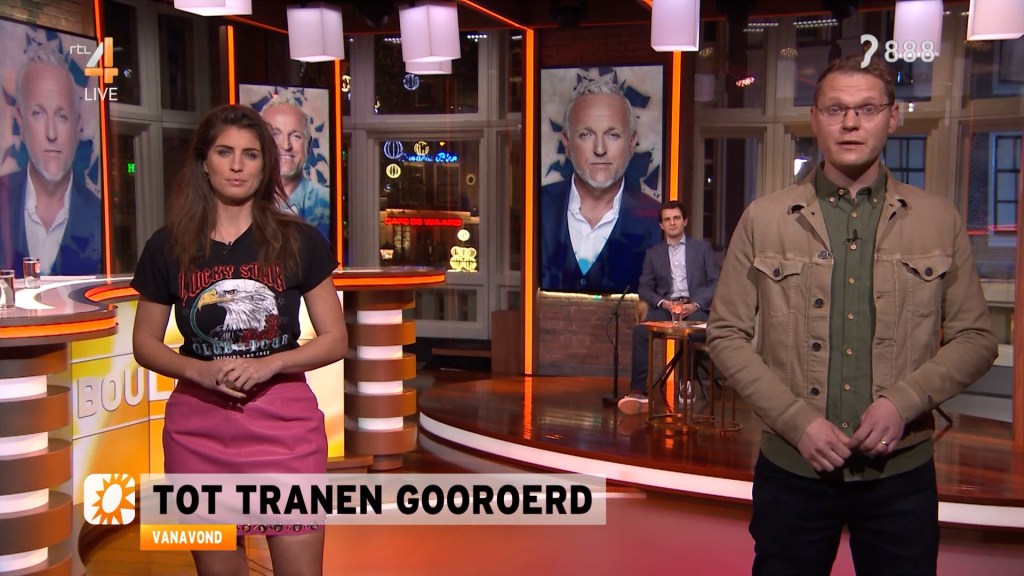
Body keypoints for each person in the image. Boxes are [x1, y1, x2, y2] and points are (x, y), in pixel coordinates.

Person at [706, 54, 997, 575]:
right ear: (814, 119)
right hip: (793, 472)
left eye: (866, 109)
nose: (850, 123)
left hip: (901, 478)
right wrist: (797, 422)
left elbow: (976, 337)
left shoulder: (938, 219)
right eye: (835, 109)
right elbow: (726, 334)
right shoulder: (764, 219)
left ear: (893, 117)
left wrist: (902, 403)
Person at [131, 104, 346, 576]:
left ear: (265, 166)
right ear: (203, 162)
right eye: (224, 152)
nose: (237, 165)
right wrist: (198, 370)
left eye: (250, 154)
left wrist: (271, 364)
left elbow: (335, 339)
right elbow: (144, 342)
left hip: (284, 427)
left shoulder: (300, 241)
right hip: (197, 430)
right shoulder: (166, 246)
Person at [540, 81, 662, 294]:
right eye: (586, 134)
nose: (599, 149)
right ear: (567, 143)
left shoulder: (656, 219)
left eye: (613, 134)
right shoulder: (537, 206)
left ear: (632, 142)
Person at [0, 47, 101, 276]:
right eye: (38, 113)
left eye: (62, 116)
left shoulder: (99, 217)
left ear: (77, 126)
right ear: (21, 121)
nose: (51, 133)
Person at [618, 201, 718, 414]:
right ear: (661, 225)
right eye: (667, 219)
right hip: (666, 307)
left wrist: (694, 304)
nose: (672, 223)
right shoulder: (653, 253)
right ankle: (638, 391)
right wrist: (664, 303)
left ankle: (686, 381)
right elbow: (644, 287)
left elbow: (714, 282)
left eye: (676, 218)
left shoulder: (702, 249)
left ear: (685, 221)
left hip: (695, 306)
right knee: (640, 332)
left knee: (695, 331)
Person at [259, 96, 331, 238]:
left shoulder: (326, 202)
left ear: (308, 145)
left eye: (296, 136)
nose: (286, 145)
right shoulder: (243, 202)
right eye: (275, 135)